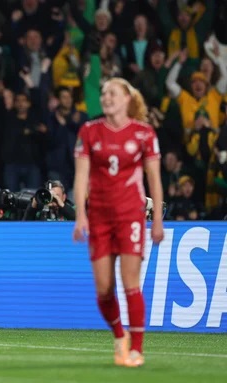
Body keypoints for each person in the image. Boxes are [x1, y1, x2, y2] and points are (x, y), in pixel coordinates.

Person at [73, 78, 164, 368]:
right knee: (103, 288)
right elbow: (81, 176)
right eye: (104, 93)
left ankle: (136, 349)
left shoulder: (144, 133)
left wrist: (158, 220)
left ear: (126, 98)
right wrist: (80, 215)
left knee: (130, 283)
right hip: (99, 216)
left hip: (130, 216)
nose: (106, 97)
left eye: (113, 93)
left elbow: (154, 179)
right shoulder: (89, 131)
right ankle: (119, 334)